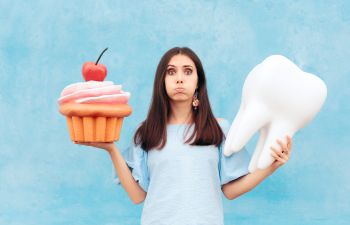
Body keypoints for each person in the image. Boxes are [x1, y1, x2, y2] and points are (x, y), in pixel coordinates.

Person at [75, 47, 293, 225]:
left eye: (187, 71)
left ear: (198, 81)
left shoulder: (218, 129)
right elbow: (138, 196)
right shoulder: (147, 132)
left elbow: (230, 190)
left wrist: (271, 166)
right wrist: (111, 149)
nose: (179, 79)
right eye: (171, 72)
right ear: (162, 81)